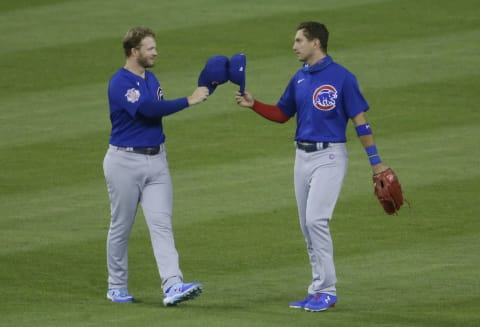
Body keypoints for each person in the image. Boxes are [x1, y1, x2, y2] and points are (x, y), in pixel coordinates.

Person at [234, 21, 390, 312]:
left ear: (315, 43)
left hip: (330, 156)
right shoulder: (299, 78)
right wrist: (254, 104)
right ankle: (317, 288)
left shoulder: (342, 78)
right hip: (301, 158)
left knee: (316, 220)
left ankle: (328, 290)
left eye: (298, 41)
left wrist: (376, 161)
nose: (294, 46)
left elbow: (361, 122)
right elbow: (282, 114)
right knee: (307, 227)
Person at [103, 27, 208, 305]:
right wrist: (189, 100)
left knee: (161, 224)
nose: (155, 52)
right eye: (150, 48)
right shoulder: (120, 82)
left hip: (157, 161)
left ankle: (173, 285)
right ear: (134, 51)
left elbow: (154, 109)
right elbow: (149, 110)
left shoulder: (151, 78)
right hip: (124, 162)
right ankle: (116, 286)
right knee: (121, 226)